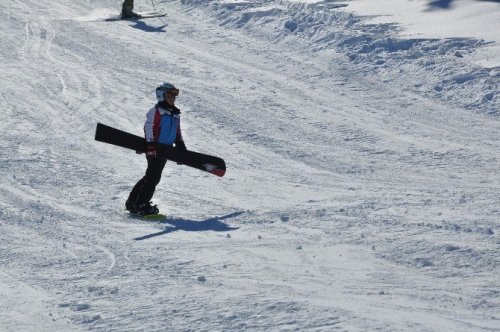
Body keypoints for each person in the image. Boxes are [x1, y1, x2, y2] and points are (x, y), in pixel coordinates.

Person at [126, 82, 187, 215]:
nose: (172, 99)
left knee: (151, 176)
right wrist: (150, 144)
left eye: (173, 97)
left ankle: (133, 203)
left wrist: (180, 144)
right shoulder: (156, 111)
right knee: (153, 177)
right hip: (154, 149)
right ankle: (141, 204)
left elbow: (177, 131)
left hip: (166, 151)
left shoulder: (175, 114)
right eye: (169, 96)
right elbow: (148, 127)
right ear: (161, 96)